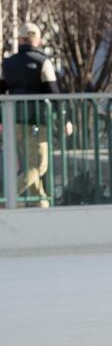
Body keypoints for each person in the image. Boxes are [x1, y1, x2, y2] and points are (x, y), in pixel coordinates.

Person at [3, 21, 61, 207]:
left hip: (14, 122)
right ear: (37, 39)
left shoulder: (7, 63)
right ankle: (8, 199)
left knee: (29, 164)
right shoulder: (43, 62)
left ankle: (42, 205)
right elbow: (53, 92)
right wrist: (64, 118)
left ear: (20, 40)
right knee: (39, 165)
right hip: (37, 124)